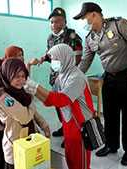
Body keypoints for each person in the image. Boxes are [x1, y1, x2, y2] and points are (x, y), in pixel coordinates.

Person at [73, 2, 127, 166]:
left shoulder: (119, 25)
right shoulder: (90, 38)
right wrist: (73, 77)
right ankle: (111, 145)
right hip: (109, 79)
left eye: (85, 18)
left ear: (94, 14)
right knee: (110, 115)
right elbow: (85, 61)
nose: (85, 23)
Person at [24, 43, 95, 169]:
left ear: (65, 58)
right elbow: (50, 100)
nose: (53, 62)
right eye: (52, 59)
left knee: (81, 163)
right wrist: (32, 90)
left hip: (81, 126)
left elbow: (61, 100)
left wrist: (35, 86)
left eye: (55, 59)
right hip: (68, 124)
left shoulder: (76, 77)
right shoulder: (61, 76)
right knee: (70, 159)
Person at [0, 58, 50, 169]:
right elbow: (25, 117)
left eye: (23, 76)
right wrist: (32, 97)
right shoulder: (3, 97)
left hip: (29, 142)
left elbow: (31, 111)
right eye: (16, 76)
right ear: (8, 75)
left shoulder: (18, 91)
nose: (21, 80)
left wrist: (43, 124)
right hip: (16, 147)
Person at [39, 8, 83, 146]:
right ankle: (64, 127)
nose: (53, 24)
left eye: (57, 21)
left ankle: (72, 132)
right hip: (55, 77)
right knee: (58, 105)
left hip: (68, 78)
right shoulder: (50, 37)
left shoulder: (72, 36)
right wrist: (43, 58)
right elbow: (49, 54)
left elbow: (78, 56)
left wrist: (68, 72)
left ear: (64, 22)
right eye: (51, 22)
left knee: (68, 107)